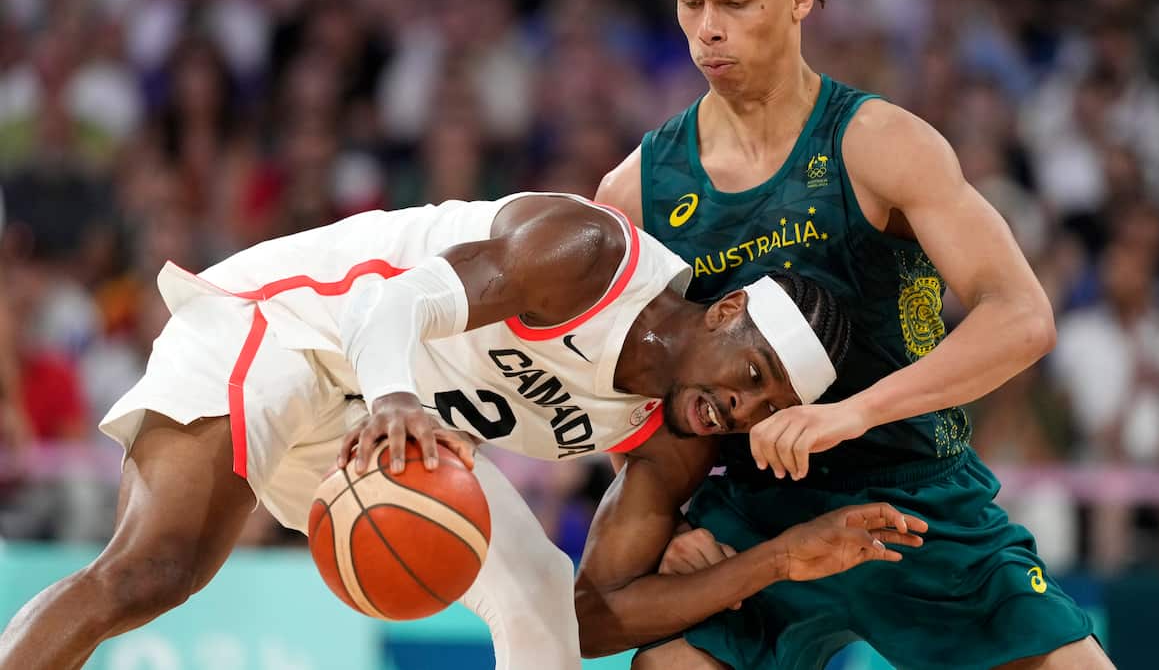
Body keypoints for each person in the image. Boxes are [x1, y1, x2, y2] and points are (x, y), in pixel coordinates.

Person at [581, 0, 1112, 670]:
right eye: (690, 3)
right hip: (754, 513)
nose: (707, 31)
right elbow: (612, 374)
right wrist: (669, 519)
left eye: (736, 2)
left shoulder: (880, 144)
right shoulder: (638, 189)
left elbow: (1022, 316)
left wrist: (852, 412)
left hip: (917, 494)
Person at [0, 191, 926, 670]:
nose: (741, 408)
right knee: (152, 570)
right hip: (288, 331)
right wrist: (399, 394)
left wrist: (775, 558)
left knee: (537, 598)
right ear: (725, 313)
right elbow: (387, 308)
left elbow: (592, 616)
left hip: (379, 424)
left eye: (764, 409)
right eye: (751, 376)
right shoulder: (590, 255)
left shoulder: (675, 435)